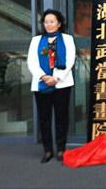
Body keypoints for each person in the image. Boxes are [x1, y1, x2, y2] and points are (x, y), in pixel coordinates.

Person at [26, 9, 76, 163]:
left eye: (52, 21)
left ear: (59, 23)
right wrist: (43, 76)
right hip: (41, 84)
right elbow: (31, 62)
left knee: (61, 118)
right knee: (44, 118)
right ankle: (47, 150)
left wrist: (56, 78)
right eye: (46, 22)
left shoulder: (67, 39)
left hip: (62, 84)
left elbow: (70, 60)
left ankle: (61, 149)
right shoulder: (36, 40)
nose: (48, 24)